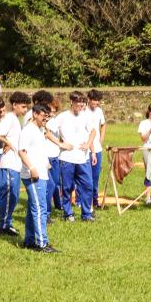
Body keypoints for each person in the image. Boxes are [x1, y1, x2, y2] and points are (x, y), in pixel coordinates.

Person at [18, 103, 58, 253]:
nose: (45, 119)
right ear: (35, 114)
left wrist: (45, 165)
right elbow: (21, 152)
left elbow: (38, 151)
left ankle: (29, 240)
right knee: (40, 208)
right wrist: (32, 168)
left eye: (47, 117)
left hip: (42, 173)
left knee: (32, 208)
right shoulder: (28, 131)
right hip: (33, 175)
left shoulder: (40, 130)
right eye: (43, 116)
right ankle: (42, 244)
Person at [0, 91, 31, 236]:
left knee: (13, 196)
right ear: (14, 105)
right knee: (9, 195)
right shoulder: (10, 119)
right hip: (8, 165)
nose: (25, 110)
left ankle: (7, 223)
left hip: (15, 165)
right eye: (23, 107)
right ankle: (3, 226)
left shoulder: (16, 120)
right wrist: (6, 142)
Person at [58, 91, 98, 222]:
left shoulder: (85, 116)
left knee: (88, 186)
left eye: (82, 103)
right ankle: (68, 214)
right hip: (67, 159)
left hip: (82, 158)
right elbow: (47, 130)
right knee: (67, 187)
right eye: (78, 103)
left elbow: (93, 131)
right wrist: (60, 144)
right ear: (71, 102)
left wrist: (88, 144)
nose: (80, 105)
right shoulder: (62, 117)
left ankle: (86, 214)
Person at [87, 89, 107, 208]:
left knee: (95, 177)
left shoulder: (99, 111)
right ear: (89, 99)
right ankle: (81, 200)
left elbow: (104, 124)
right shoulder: (83, 111)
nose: (97, 103)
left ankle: (95, 200)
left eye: (98, 101)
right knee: (85, 177)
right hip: (86, 150)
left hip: (97, 149)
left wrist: (101, 138)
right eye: (95, 100)